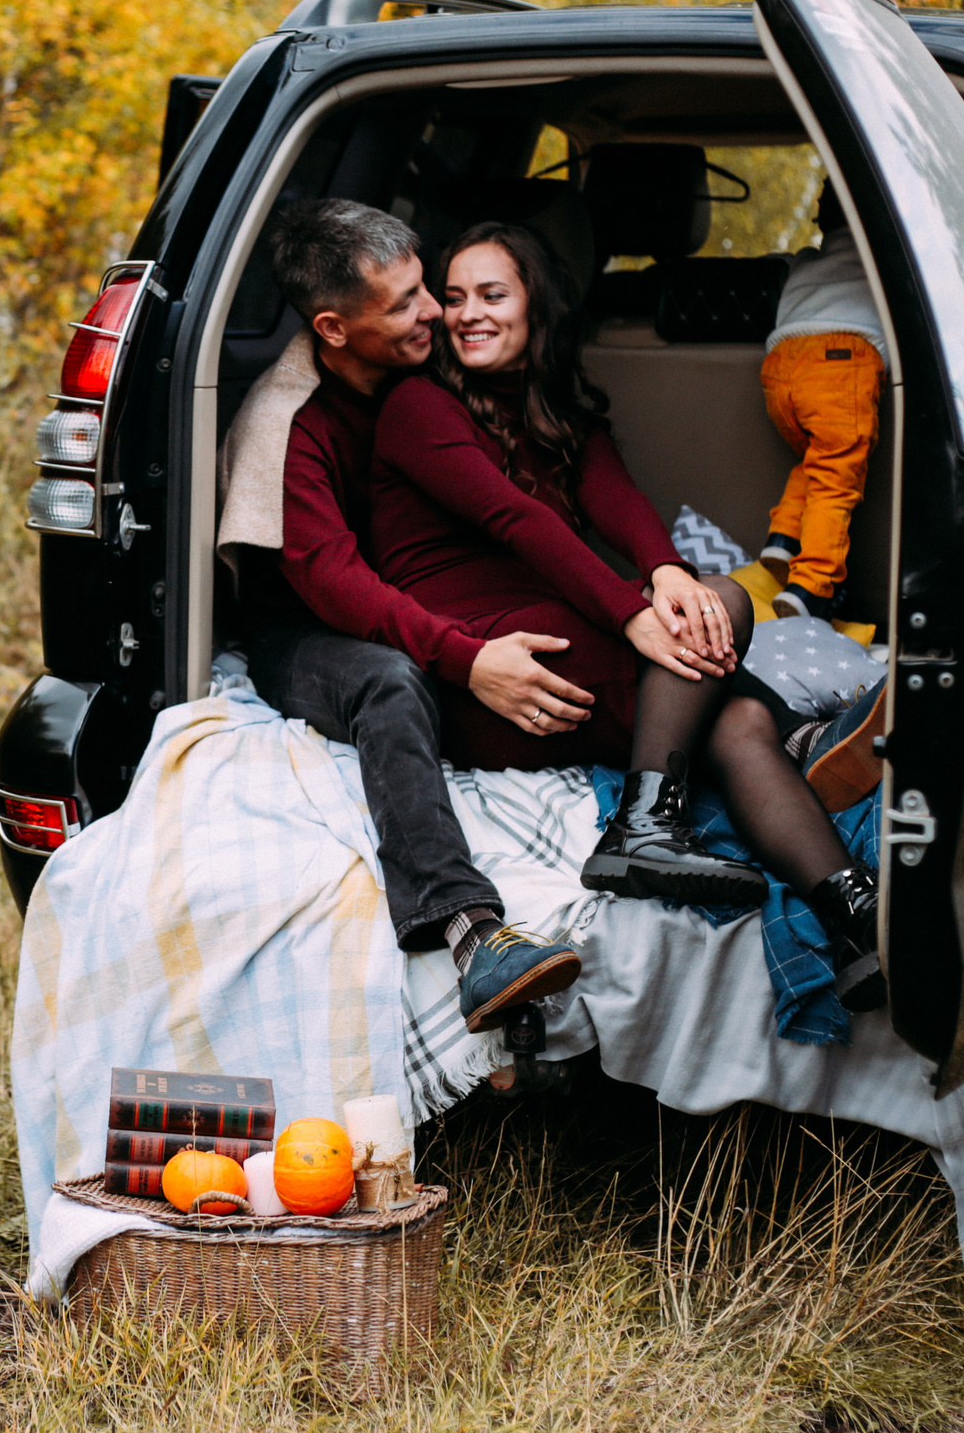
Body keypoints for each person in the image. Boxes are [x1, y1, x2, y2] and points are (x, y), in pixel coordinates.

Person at [368, 220, 884, 1011]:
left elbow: (617, 498)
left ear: (536, 307)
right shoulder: (417, 405)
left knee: (734, 709)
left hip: (548, 631)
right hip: (492, 664)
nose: (469, 312)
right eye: (456, 296)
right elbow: (519, 521)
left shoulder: (552, 405)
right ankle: (701, 808)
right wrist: (632, 613)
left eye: (493, 295)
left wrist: (667, 573)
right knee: (728, 629)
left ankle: (856, 922)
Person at [216, 199, 582, 1034]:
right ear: (334, 329)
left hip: (416, 589)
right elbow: (338, 586)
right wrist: (468, 657)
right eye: (406, 304)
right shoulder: (287, 426)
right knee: (389, 679)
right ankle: (472, 934)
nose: (435, 313)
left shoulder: (424, 371)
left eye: (428, 287)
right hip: (304, 629)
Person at [758, 189, 885, 621]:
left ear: (822, 222)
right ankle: (812, 586)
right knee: (836, 479)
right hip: (840, 363)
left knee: (818, 461)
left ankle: (784, 538)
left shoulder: (807, 261)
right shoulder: (883, 253)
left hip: (779, 371)